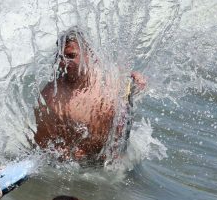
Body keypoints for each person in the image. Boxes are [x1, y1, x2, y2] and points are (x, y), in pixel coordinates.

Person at [33, 28, 145, 163]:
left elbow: (129, 79)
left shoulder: (109, 79)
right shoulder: (51, 97)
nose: (64, 62)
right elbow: (42, 145)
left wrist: (136, 78)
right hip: (82, 166)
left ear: (88, 54)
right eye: (60, 57)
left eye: (71, 56)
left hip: (115, 159)